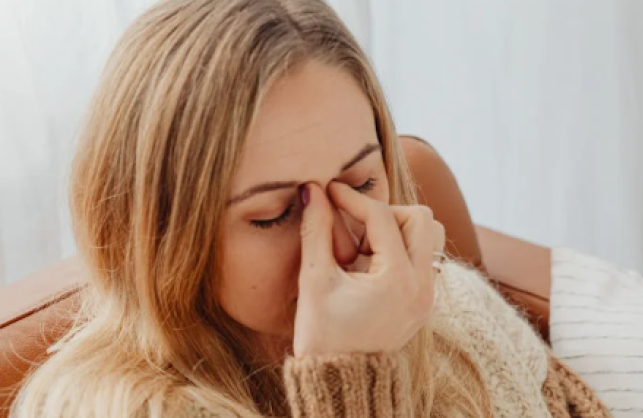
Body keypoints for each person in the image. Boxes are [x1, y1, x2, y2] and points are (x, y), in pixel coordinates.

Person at [12, 0, 611, 417]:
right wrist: (351, 376)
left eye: (362, 183)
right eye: (274, 214)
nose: (342, 243)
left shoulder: (448, 308)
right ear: (161, 233)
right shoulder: (106, 408)